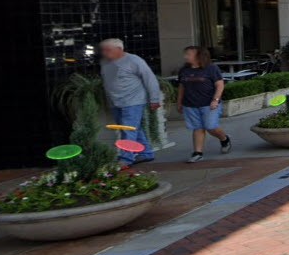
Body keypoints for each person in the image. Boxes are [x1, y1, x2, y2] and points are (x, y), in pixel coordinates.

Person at [99, 38, 163, 166]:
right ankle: (146, 153)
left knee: (128, 129)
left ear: (119, 49)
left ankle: (126, 158)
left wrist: (154, 99)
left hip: (133, 101)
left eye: (108, 50)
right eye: (103, 50)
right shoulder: (105, 62)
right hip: (115, 102)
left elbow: (150, 79)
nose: (105, 53)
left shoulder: (134, 60)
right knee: (133, 128)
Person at [178, 46, 233, 163]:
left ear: (198, 55)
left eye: (188, 54)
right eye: (185, 54)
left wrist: (215, 99)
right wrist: (179, 102)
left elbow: (220, 85)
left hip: (209, 104)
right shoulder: (184, 70)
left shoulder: (211, 69)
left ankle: (224, 138)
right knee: (197, 127)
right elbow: (182, 87)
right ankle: (197, 152)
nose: (185, 56)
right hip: (190, 104)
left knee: (210, 126)